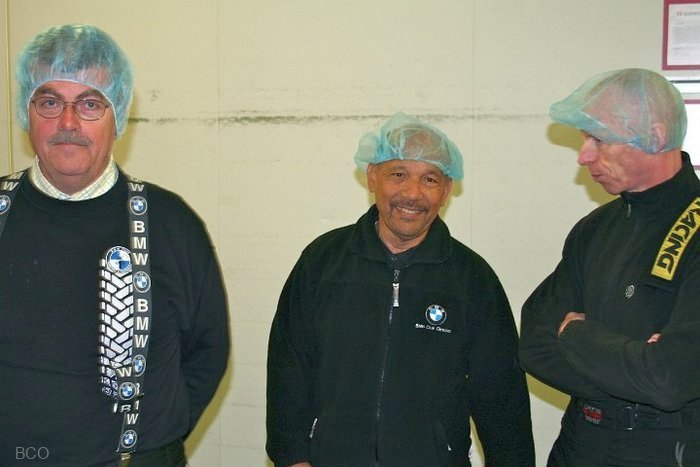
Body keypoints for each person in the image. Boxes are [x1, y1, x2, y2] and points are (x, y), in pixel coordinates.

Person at [0, 24, 229, 466]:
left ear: (117, 115)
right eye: (50, 102)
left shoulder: (170, 223)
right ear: (26, 111)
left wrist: (154, 439)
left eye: (90, 104)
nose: (68, 123)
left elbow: (208, 349)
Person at [266, 112, 535, 467]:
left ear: (446, 191)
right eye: (398, 174)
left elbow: (501, 395)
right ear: (372, 177)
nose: (412, 193)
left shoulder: (472, 279)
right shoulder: (322, 262)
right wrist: (291, 457)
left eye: (430, 179)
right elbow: (288, 366)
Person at [519, 68, 700, 465]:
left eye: (599, 140)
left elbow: (669, 378)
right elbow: (534, 342)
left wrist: (576, 334)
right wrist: (635, 372)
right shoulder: (595, 228)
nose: (583, 156)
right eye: (584, 139)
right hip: (581, 443)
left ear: (655, 137)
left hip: (668, 450)